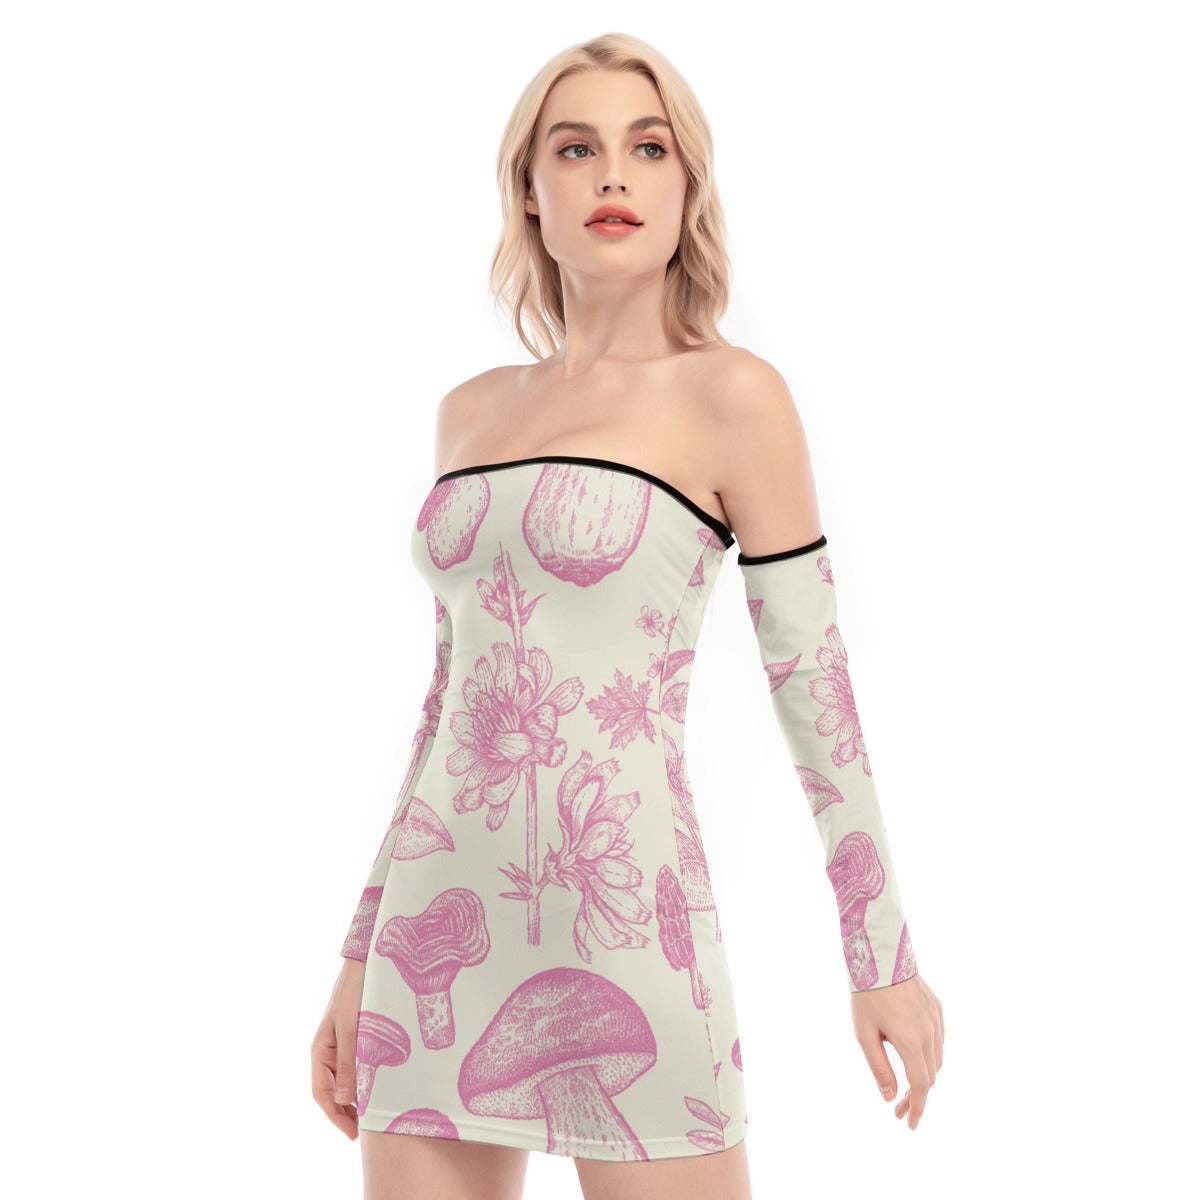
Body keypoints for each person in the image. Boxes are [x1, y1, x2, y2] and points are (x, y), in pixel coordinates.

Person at [311, 31, 944, 1200]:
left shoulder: (733, 396)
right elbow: (448, 705)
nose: (613, 174)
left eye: (648, 148)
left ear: (687, 185)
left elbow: (815, 688)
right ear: (529, 190)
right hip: (430, 947)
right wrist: (359, 957)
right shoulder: (469, 414)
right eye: (576, 148)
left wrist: (883, 959)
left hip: (632, 942)